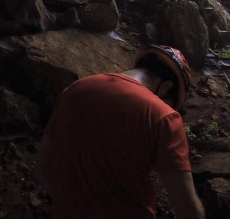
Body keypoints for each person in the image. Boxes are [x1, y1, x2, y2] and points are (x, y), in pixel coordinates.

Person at [35, 45, 205, 219]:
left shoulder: (73, 90)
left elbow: (44, 169)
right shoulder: (164, 116)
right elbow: (188, 211)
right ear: (166, 87)